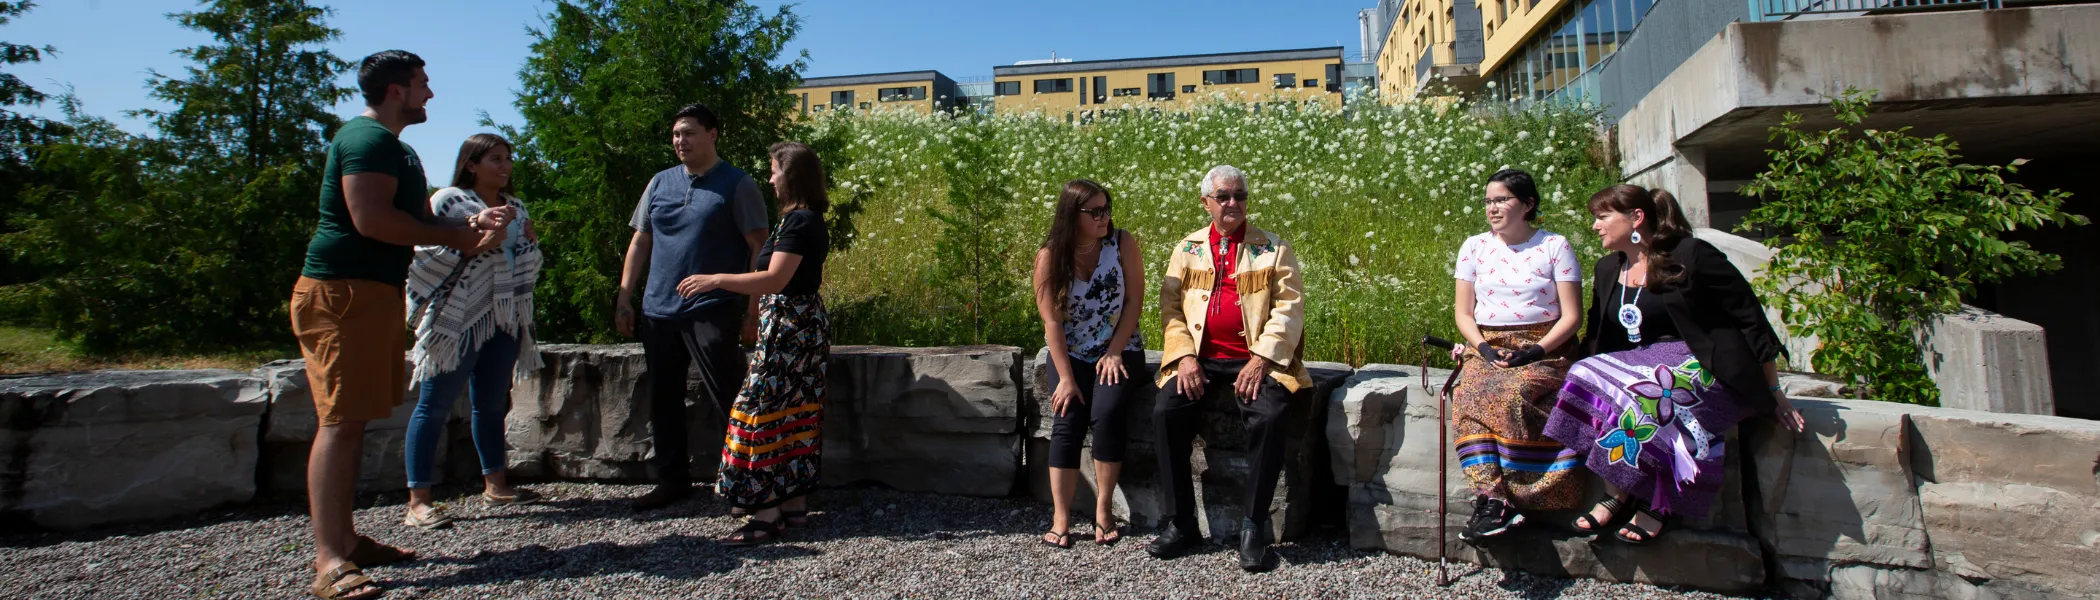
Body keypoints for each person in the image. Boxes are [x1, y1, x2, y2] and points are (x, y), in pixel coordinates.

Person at [292, 50, 511, 599]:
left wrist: (472, 219)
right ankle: (331, 560)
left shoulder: (396, 149)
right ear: (396, 91)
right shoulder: (365, 142)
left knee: (355, 419)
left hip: (370, 295)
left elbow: (416, 220)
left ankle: (345, 537)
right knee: (339, 422)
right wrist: (461, 237)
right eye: (422, 84)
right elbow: (371, 219)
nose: (430, 94)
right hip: (342, 293)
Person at [1543, 184, 1807, 546]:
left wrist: (1774, 390)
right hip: (1641, 364)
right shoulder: (1609, 268)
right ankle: (1618, 489)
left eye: (1602, 217)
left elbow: (1749, 317)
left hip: (1701, 364)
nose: (1595, 226)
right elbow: (1596, 336)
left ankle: (1660, 500)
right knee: (1585, 374)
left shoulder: (1691, 254)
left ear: (1636, 218)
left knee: (1649, 393)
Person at [1148, 165, 1308, 572]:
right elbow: (1170, 309)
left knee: (1271, 416)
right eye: (1224, 196)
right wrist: (1184, 356)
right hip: (1199, 358)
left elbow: (1289, 310)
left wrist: (1261, 359)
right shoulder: (1186, 248)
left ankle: (1253, 527)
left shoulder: (1273, 248)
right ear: (1207, 203)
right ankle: (1181, 522)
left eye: (1239, 195)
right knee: (1166, 413)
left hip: (1256, 358)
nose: (1233, 203)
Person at [615, 103, 770, 511]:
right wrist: (625, 295)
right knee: (663, 399)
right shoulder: (659, 183)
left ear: (713, 134)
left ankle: (743, 483)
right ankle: (672, 480)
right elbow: (641, 242)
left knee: (729, 397)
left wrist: (753, 311)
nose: (680, 141)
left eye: (689, 133)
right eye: (676, 134)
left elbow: (759, 248)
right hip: (658, 309)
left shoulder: (737, 184)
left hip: (713, 308)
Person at [679, 142, 833, 546]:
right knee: (792, 411)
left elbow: (774, 280)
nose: (770, 179)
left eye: (774, 171)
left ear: (791, 174)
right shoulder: (801, 220)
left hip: (790, 329)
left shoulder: (801, 222)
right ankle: (793, 504)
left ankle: (765, 516)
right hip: (797, 327)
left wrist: (715, 280)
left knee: (759, 413)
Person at [399, 133, 546, 529]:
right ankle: (418, 500)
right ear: (471, 164)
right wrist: (476, 245)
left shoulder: (514, 205)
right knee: (434, 404)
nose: (504, 166)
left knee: (492, 402)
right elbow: (425, 254)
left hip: (504, 316)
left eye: (508, 159)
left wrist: (530, 243)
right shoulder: (448, 201)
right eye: (495, 159)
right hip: (458, 319)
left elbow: (527, 264)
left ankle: (495, 485)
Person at [1447, 169, 1587, 543]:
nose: (1493, 208)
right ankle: (1492, 500)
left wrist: (1536, 350)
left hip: (1545, 347)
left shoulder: (1555, 246)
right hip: (1487, 345)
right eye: (1488, 201)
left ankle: (1521, 496)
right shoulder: (1473, 247)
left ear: (1528, 205)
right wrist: (1484, 348)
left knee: (1511, 394)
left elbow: (1573, 316)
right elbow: (1463, 313)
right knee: (1468, 393)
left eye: (1502, 200)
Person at [1030, 179, 1146, 549]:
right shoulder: (1050, 258)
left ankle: (1103, 510)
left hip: (1120, 347)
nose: (1105, 216)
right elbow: (1052, 323)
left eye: (1107, 208)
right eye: (1095, 211)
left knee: (1107, 413)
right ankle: (1061, 518)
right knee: (1067, 418)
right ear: (1072, 215)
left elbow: (1133, 303)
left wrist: (1114, 351)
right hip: (1072, 352)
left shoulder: (1122, 243)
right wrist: (1065, 378)